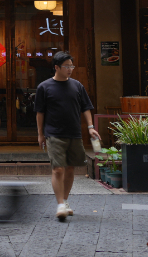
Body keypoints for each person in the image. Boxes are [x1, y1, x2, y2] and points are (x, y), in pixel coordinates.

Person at [35, 52, 100, 222]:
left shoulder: (77, 86)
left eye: (72, 66)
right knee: (58, 169)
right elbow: (40, 113)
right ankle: (60, 204)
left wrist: (90, 127)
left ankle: (64, 200)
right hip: (54, 133)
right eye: (67, 66)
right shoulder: (44, 87)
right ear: (56, 67)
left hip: (74, 133)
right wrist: (40, 134)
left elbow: (86, 107)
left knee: (70, 168)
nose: (70, 69)